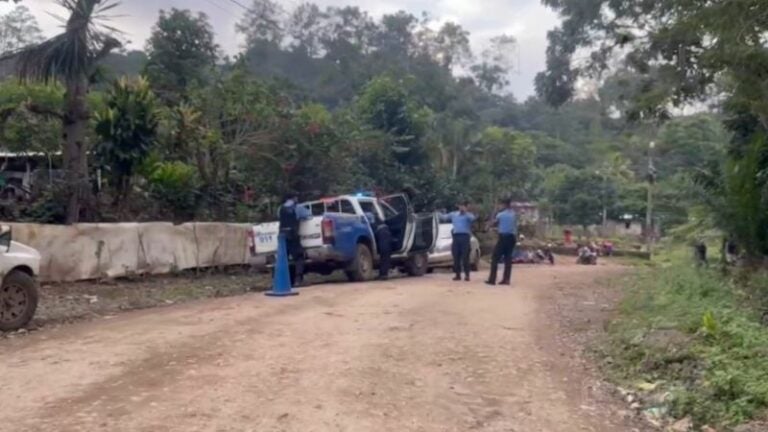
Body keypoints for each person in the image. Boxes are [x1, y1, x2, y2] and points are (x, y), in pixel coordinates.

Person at [278, 193, 312, 286]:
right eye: (296, 197)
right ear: (294, 198)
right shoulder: (298, 207)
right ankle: (298, 279)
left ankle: (280, 281)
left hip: (282, 236)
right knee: (299, 257)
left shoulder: (280, 208)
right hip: (293, 236)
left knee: (283, 259)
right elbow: (308, 215)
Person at [440, 201, 476, 281]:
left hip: (465, 237)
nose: (461, 208)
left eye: (463, 206)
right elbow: (443, 217)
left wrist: (466, 212)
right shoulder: (453, 214)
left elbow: (473, 218)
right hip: (456, 237)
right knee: (456, 256)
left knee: (465, 257)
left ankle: (467, 275)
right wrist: (437, 212)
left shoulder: (468, 216)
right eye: (460, 206)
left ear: (466, 207)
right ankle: (457, 275)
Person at [486, 199, 518, 286]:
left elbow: (493, 224)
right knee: (508, 258)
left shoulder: (500, 215)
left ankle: (492, 279)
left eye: (500, 205)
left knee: (495, 257)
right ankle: (506, 279)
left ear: (504, 205)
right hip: (512, 238)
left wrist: (493, 217)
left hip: (503, 238)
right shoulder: (514, 214)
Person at [367, 212, 392, 281]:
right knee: (386, 254)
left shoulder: (368, 215)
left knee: (384, 253)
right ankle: (384, 274)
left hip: (381, 233)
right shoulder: (375, 215)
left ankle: (383, 275)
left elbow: (371, 226)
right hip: (386, 232)